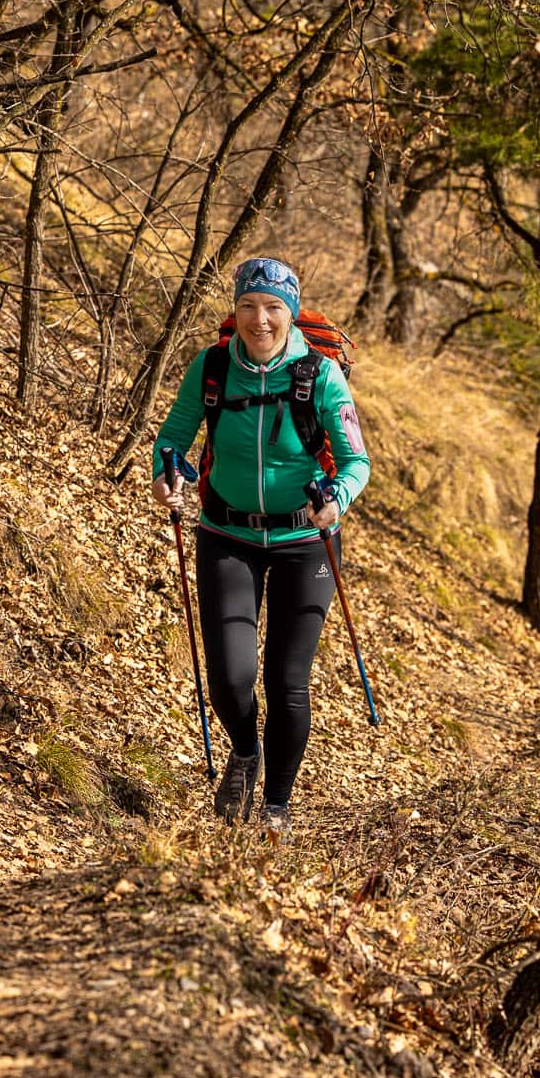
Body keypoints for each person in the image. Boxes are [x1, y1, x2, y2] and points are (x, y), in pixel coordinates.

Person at [150, 256, 371, 834]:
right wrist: (166, 474)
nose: (260, 319)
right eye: (248, 306)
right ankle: (244, 752)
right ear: (235, 309)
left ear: (291, 313)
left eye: (274, 307)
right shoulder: (213, 366)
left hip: (306, 539)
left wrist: (337, 499)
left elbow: (355, 461)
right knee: (230, 675)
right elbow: (175, 436)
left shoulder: (320, 376)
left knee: (287, 679)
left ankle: (276, 805)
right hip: (228, 534)